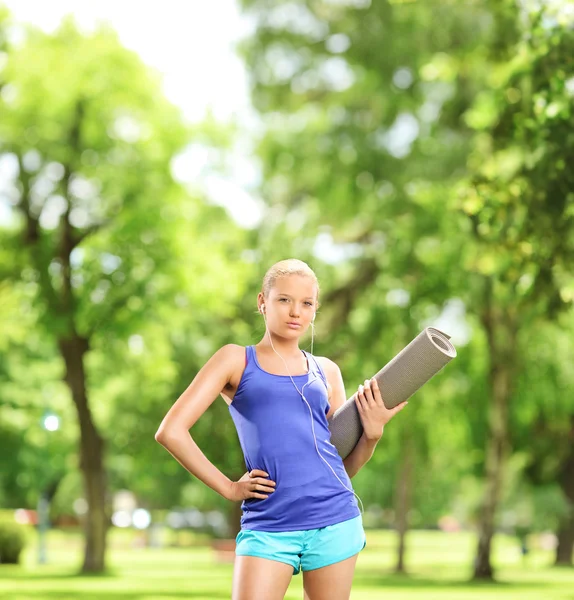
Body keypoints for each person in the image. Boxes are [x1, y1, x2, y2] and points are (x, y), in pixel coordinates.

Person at [155, 258, 407, 600]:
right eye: (284, 300)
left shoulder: (327, 371)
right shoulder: (235, 360)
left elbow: (343, 467)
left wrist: (372, 435)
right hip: (269, 527)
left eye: (306, 303)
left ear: (315, 310)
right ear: (263, 302)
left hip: (334, 520)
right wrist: (230, 488)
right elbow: (171, 431)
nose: (295, 312)